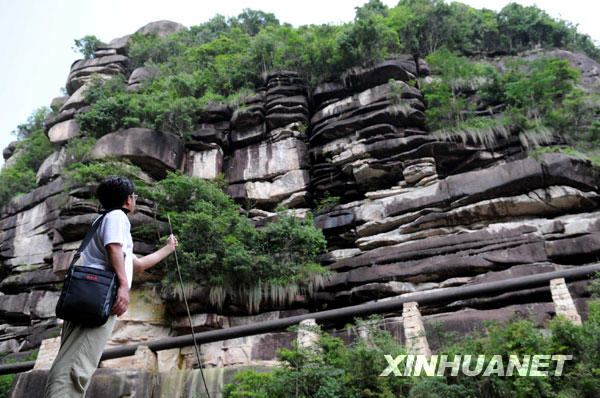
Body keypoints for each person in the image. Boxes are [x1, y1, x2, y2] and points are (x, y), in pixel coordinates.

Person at [45, 176, 178, 397]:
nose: (134, 200)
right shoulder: (117, 217)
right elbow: (113, 248)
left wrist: (167, 249)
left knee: (72, 357)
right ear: (128, 199)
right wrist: (124, 287)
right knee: (77, 363)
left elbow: (137, 264)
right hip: (96, 298)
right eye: (134, 196)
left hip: (87, 295)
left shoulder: (106, 219)